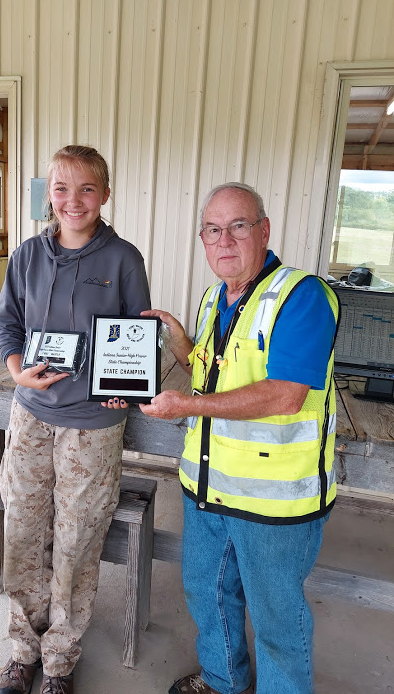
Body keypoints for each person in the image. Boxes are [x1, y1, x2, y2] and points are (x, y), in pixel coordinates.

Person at [140, 182, 339, 694]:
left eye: (238, 226)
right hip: (208, 487)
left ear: (264, 230)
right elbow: (209, 373)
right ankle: (223, 680)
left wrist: (182, 405)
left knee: (277, 620)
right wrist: (182, 342)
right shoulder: (214, 298)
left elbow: (284, 396)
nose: (224, 240)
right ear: (203, 240)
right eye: (212, 229)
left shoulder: (302, 295)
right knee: (208, 592)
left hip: (274, 502)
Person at [0, 145, 150, 694]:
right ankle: (22, 648)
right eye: (62, 188)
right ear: (49, 196)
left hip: (92, 423)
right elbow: (7, 322)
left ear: (105, 194)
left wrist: (124, 391)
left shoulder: (123, 259)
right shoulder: (27, 256)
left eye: (86, 188)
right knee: (22, 526)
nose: (73, 200)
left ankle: (59, 658)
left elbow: (137, 338)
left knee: (79, 535)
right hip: (31, 414)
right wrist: (17, 371)